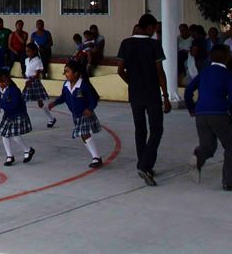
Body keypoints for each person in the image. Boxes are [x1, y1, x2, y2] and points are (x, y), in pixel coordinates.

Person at [116, 13, 171, 186]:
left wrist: (132, 84)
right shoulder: (154, 45)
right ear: (148, 27)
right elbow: (160, 72)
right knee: (156, 129)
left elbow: (120, 70)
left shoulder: (126, 44)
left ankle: (144, 164)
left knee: (140, 130)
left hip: (135, 94)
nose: (155, 31)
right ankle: (145, 164)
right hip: (152, 93)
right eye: (155, 28)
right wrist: (166, 96)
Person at [185, 46, 232, 191]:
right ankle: (228, 182)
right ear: (227, 57)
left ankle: (199, 155)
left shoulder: (204, 72)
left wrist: (192, 109)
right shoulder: (228, 75)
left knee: (208, 146)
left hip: (201, 113)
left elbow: (188, 90)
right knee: (231, 148)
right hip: (219, 113)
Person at [48, 59, 103, 169]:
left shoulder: (83, 85)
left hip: (85, 114)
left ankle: (96, 158)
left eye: (68, 71)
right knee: (83, 136)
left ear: (76, 73)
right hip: (76, 115)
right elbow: (63, 96)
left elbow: (93, 99)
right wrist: (54, 103)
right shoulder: (66, 85)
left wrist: (90, 109)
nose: (65, 74)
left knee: (84, 134)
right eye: (65, 72)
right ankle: (95, 156)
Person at [0, 70, 34, 166]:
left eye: (3, 81)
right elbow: (0, 101)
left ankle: (28, 150)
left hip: (18, 114)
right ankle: (9, 156)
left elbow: (14, 105)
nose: (1, 84)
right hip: (8, 114)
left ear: (8, 80)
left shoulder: (14, 90)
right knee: (4, 135)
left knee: (14, 135)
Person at [21, 42, 56, 128]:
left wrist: (30, 80)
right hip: (28, 81)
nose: (27, 53)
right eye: (26, 51)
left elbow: (37, 74)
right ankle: (22, 120)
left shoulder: (38, 61)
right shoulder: (26, 60)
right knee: (22, 101)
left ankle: (51, 118)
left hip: (35, 82)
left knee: (40, 104)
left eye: (29, 51)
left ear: (34, 51)